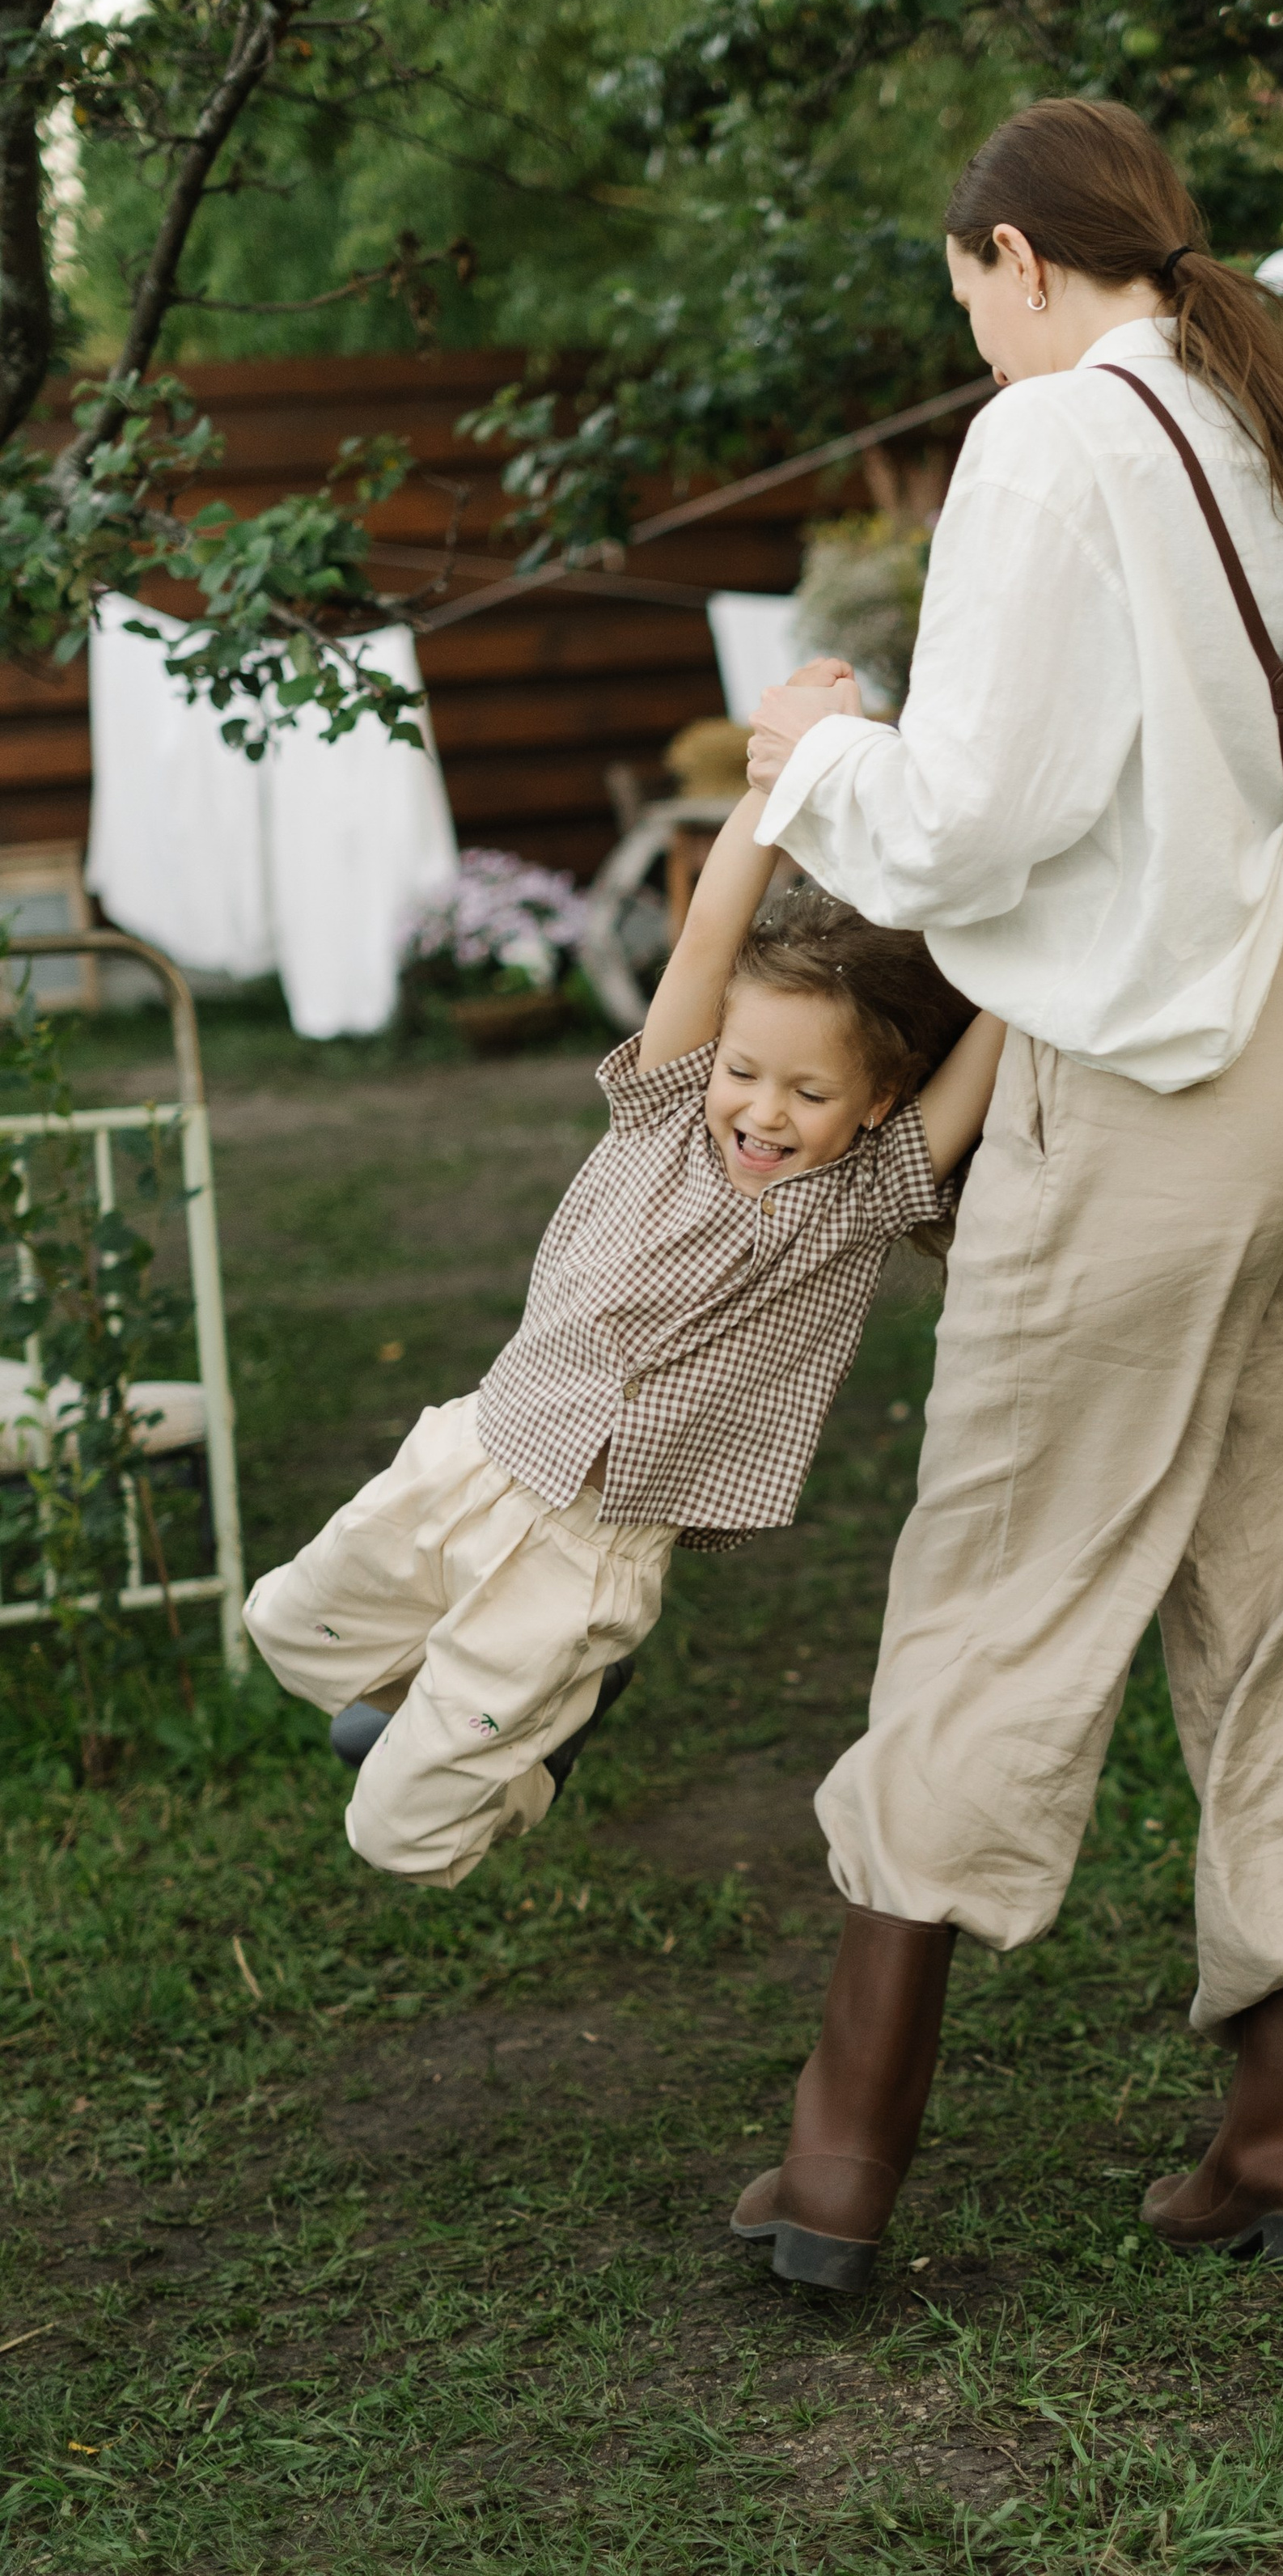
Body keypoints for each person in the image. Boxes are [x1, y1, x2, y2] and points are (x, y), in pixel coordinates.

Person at [727, 99, 1283, 2296]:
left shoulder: (1057, 436)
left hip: (1148, 1083)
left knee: (1003, 1584)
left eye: (964, 286)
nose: (973, 323)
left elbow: (972, 827)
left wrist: (807, 755)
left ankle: (836, 2173)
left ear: (1013, 257)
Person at [244, 765, 1006, 1891]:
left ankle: (535, 1732)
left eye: (808, 1091)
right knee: (282, 1626)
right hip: (475, 1456)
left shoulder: (862, 1202)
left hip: (592, 1550)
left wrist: (1039, 949)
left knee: (394, 1833)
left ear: (877, 1105)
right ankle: (482, 1713)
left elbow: (995, 1042)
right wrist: (774, 784)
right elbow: (708, 935)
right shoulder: (664, 1111)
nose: (762, 1108)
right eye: (746, 1071)